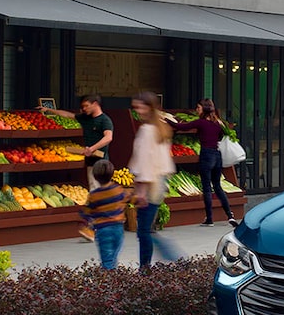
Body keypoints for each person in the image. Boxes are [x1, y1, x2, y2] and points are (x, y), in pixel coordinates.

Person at [126, 91, 185, 269]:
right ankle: (159, 261)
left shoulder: (146, 131)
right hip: (159, 184)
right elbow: (164, 161)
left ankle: (147, 268)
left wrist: (141, 191)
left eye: (139, 106)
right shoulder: (161, 128)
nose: (137, 110)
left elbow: (144, 162)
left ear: (148, 107)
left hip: (148, 186)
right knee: (147, 229)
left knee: (144, 231)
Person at [44, 94, 114, 240]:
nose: (83, 109)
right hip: (91, 163)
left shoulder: (105, 120)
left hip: (101, 163)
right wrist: (49, 110)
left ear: (95, 104)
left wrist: (91, 148)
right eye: (82, 106)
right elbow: (68, 115)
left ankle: (93, 228)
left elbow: (108, 137)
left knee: (96, 194)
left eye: (86, 106)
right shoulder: (85, 118)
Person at [169, 98, 237, 227]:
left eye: (198, 107)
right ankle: (229, 215)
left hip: (206, 155)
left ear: (204, 109)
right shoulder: (218, 123)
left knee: (206, 188)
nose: (196, 110)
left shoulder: (201, 123)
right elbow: (222, 136)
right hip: (217, 156)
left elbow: (181, 127)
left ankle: (209, 219)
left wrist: (167, 121)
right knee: (217, 186)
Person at [81, 159, 129, 269]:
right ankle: (114, 277)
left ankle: (109, 281)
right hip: (118, 229)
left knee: (107, 259)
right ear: (112, 174)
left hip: (103, 230)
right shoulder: (118, 189)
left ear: (95, 177)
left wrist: (84, 222)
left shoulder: (94, 195)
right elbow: (128, 198)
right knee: (113, 256)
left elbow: (87, 212)